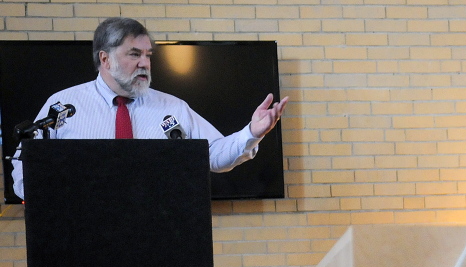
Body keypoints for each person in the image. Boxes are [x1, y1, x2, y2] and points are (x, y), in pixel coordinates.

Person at [11, 17, 289, 199]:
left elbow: (215, 155)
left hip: (156, 238)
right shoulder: (64, 107)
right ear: (105, 59)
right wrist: (41, 200)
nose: (145, 63)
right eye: (134, 54)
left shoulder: (171, 108)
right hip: (80, 236)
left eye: (148, 55)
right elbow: (24, 162)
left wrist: (252, 131)